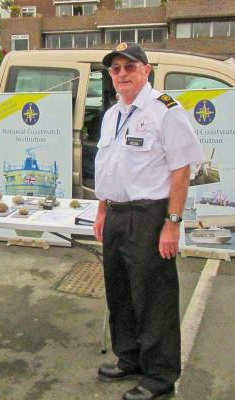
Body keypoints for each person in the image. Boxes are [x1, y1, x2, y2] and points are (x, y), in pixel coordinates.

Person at [93, 43, 204, 400]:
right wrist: (102, 209)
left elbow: (182, 169)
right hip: (117, 214)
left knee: (154, 297)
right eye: (115, 69)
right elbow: (109, 167)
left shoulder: (165, 112)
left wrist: (172, 222)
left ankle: (159, 376)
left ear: (147, 69)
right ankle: (130, 357)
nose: (122, 74)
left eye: (130, 67)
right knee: (121, 292)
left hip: (150, 216)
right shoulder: (112, 114)